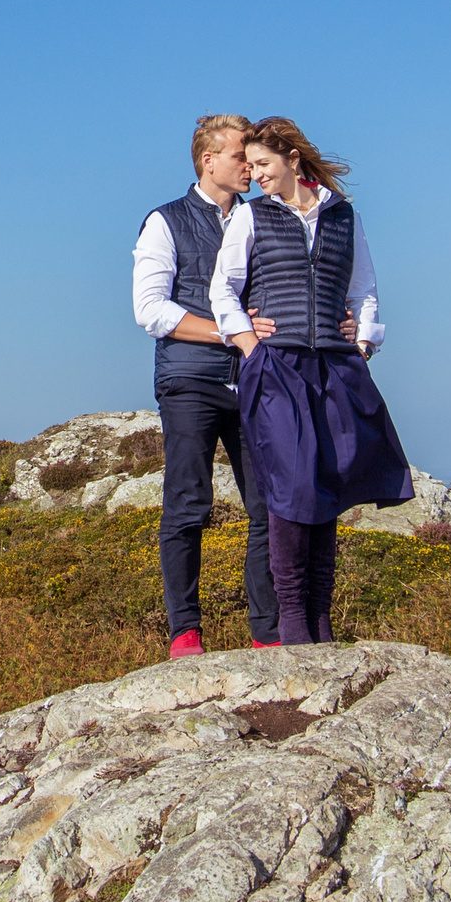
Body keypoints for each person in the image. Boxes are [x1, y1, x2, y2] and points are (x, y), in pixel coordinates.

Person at [209, 117, 414, 645]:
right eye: (249, 166)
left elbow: (364, 289)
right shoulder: (251, 218)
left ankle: (320, 620)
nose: (254, 175)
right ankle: (294, 624)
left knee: (330, 484)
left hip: (337, 369)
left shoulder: (345, 216)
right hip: (277, 368)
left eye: (262, 164)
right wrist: (251, 348)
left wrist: (363, 342)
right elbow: (223, 290)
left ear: (292, 160)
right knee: (291, 488)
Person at [132, 115, 279, 657]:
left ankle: (268, 632)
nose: (250, 164)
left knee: (269, 507)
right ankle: (185, 633)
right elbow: (150, 310)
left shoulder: (265, 219)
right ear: (207, 160)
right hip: (190, 380)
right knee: (188, 503)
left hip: (255, 382)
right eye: (240, 154)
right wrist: (231, 333)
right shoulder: (164, 221)